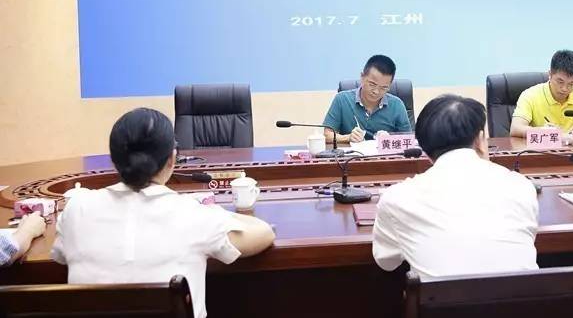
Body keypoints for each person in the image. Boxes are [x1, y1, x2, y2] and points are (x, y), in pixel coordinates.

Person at [52, 108, 275, 318]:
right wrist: (214, 212)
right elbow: (264, 233)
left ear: (113, 158)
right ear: (172, 158)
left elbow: (61, 256)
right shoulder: (191, 214)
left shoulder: (77, 209)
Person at [372, 94, 539, 279]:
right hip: (528, 298)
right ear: (480, 140)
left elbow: (386, 262)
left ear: (426, 153)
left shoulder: (397, 198)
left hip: (442, 299)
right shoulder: (521, 186)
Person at [510, 50, 573, 138]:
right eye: (560, 82)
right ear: (550, 74)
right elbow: (515, 128)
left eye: (572, 83)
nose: (565, 89)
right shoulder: (530, 95)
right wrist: (542, 131)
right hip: (543, 152)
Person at [323, 54, 412, 143]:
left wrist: (389, 138)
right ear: (362, 77)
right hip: (353, 151)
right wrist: (348, 137)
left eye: (383, 87)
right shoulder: (342, 99)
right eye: (372, 84)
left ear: (389, 86)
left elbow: (408, 139)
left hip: (382, 152)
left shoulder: (397, 105)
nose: (376, 91)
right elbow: (327, 135)